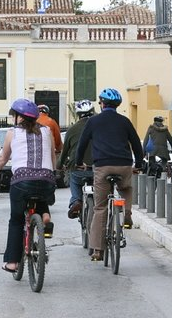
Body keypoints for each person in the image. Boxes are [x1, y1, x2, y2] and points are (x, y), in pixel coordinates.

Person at [0, 98, 56, 273]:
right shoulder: (47, 131)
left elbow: (3, 159)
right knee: (41, 188)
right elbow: (53, 159)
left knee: (16, 220)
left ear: (19, 117)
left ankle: (12, 262)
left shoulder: (13, 133)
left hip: (22, 182)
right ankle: (44, 214)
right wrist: (52, 174)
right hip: (46, 180)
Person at [76, 88, 143, 262]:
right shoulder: (125, 121)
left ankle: (98, 250)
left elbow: (82, 145)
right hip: (124, 165)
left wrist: (78, 162)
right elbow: (136, 144)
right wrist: (139, 164)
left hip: (102, 167)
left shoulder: (93, 121)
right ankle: (127, 214)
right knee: (126, 188)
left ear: (102, 103)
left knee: (100, 208)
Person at [57, 99, 95, 219]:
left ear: (78, 114)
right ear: (93, 112)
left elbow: (64, 152)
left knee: (74, 179)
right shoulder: (100, 127)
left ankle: (76, 201)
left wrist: (59, 165)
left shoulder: (72, 129)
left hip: (77, 168)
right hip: (97, 168)